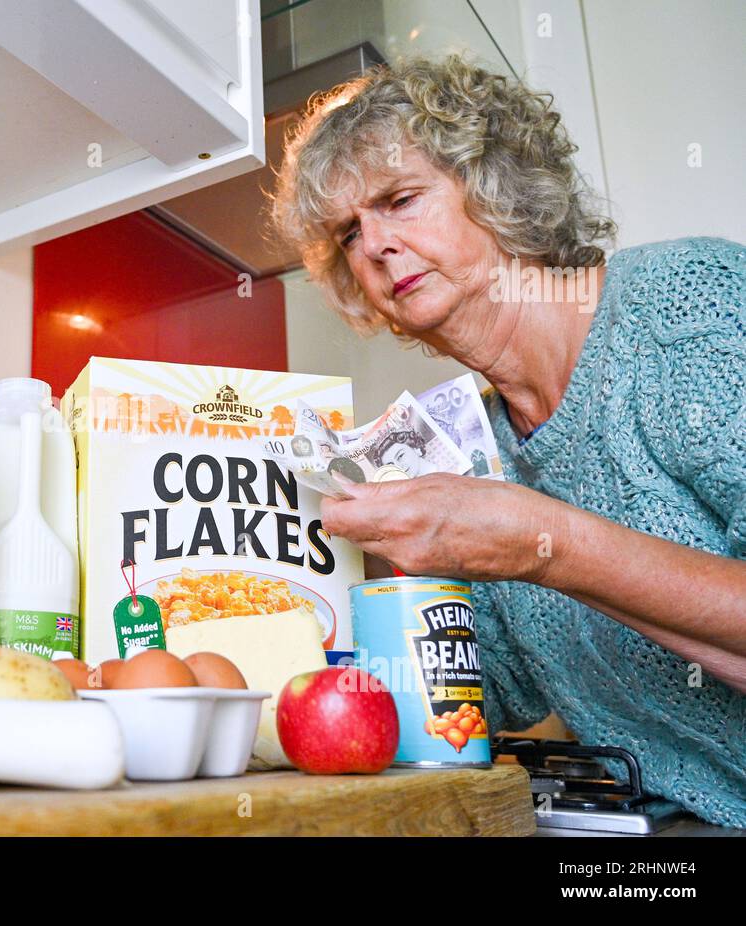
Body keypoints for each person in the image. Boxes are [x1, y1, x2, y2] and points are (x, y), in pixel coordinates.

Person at [271, 54, 746, 826]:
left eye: (399, 200)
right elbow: (477, 703)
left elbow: (536, 545)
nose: (376, 247)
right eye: (348, 233)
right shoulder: (470, 451)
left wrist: (539, 541)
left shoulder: (692, 310)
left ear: (496, 187)